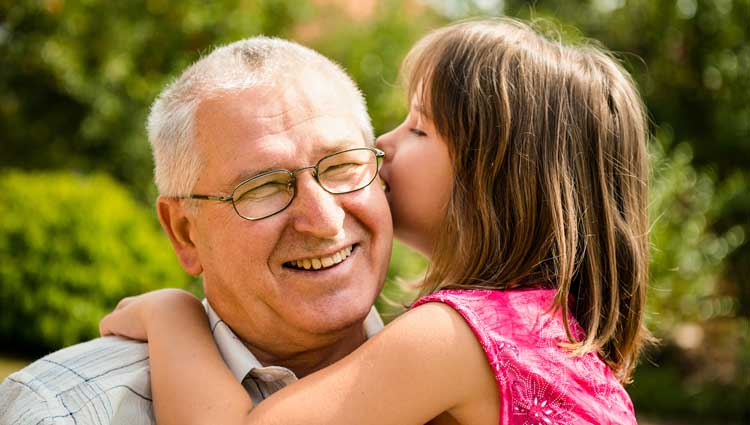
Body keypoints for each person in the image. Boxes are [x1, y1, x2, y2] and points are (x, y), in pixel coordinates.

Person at [99, 17, 653, 425]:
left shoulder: (456, 337)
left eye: (418, 129)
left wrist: (172, 313)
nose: (381, 145)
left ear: (491, 177)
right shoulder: (549, 328)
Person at [0, 37, 393, 425]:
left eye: (342, 166)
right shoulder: (60, 412)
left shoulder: (451, 375)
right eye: (263, 187)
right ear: (184, 232)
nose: (324, 220)